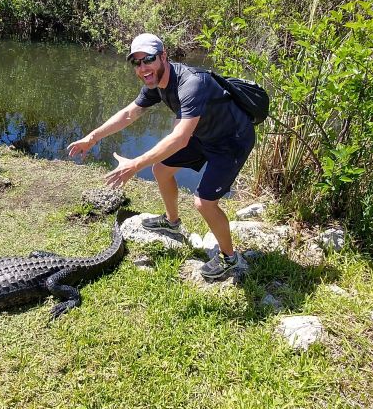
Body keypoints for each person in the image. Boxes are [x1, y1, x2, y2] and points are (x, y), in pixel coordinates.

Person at [66, 33, 256, 281]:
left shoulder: (191, 83)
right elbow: (128, 114)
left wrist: (135, 164)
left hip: (232, 141)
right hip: (203, 134)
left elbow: (179, 138)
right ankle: (172, 221)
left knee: (204, 202)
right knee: (161, 169)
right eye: (137, 62)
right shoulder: (156, 84)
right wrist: (91, 138)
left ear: (164, 56)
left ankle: (230, 259)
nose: (143, 68)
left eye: (149, 60)